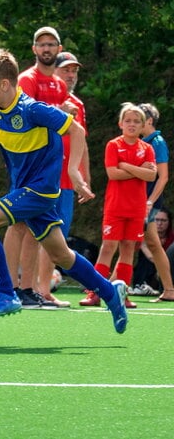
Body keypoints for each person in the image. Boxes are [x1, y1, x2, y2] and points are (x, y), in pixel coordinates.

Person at [0, 48, 127, 333]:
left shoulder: (32, 109)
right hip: (26, 190)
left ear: (4, 84)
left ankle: (6, 295)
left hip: (40, 190)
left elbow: (75, 130)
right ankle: (110, 293)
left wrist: (73, 171)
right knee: (62, 255)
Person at [5, 27, 74, 309]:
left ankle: (29, 289)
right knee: (17, 224)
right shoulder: (27, 79)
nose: (46, 49)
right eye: (41, 44)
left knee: (36, 229)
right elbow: (27, 118)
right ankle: (8, 288)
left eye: (51, 44)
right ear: (34, 49)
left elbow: (65, 128)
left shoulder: (58, 85)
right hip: (26, 164)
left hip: (48, 167)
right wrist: (61, 113)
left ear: (59, 48)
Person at [80, 104, 156, 309]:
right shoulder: (113, 145)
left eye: (136, 121)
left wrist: (126, 166)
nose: (132, 124)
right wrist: (138, 170)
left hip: (137, 207)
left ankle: (121, 293)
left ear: (143, 126)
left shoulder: (147, 148)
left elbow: (151, 175)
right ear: (121, 123)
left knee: (128, 249)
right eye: (128, 121)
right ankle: (94, 293)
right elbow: (113, 173)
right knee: (108, 248)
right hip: (116, 206)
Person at [32, 51, 90, 307]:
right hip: (41, 175)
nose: (71, 75)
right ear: (53, 72)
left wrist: (84, 177)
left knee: (57, 236)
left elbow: (82, 141)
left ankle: (43, 289)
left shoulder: (77, 104)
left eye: (74, 71)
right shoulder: (39, 97)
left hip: (66, 182)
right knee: (33, 232)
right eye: (66, 69)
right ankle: (29, 288)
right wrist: (58, 110)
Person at [137, 104, 174, 303]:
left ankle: (169, 289)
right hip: (141, 200)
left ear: (149, 121)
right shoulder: (143, 142)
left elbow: (163, 176)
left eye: (139, 119)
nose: (135, 123)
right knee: (150, 242)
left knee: (129, 241)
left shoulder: (157, 142)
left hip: (149, 202)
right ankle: (169, 289)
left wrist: (149, 201)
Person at [132, 209, 174, 294]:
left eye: (163, 220)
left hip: (169, 268)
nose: (159, 223)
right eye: (157, 220)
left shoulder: (172, 238)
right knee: (145, 261)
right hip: (150, 268)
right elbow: (150, 256)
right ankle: (142, 286)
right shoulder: (145, 237)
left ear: (169, 222)